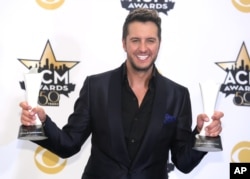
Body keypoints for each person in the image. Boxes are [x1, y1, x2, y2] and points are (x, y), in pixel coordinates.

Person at [19, 8, 224, 179]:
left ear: (159, 44)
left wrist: (204, 134)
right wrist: (41, 123)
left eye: (150, 40)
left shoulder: (177, 95)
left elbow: (184, 162)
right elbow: (68, 145)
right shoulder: (96, 87)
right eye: (135, 40)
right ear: (124, 43)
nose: (143, 48)